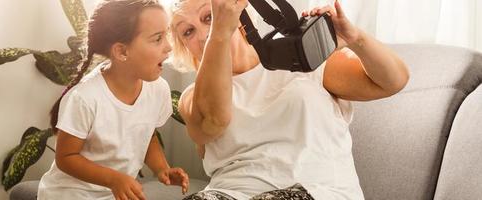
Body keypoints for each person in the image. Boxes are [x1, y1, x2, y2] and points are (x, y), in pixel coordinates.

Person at [169, 0, 409, 199]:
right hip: (230, 193)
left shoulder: (305, 61)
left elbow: (392, 81)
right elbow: (214, 120)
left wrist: (356, 38)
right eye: (187, 31)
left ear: (239, 13)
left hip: (317, 191)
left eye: (209, 17)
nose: (202, 34)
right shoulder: (193, 98)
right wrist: (219, 32)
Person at [37, 0, 189, 199]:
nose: (169, 47)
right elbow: (66, 158)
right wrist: (113, 179)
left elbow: (147, 134)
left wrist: (162, 169)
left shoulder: (158, 89)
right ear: (122, 51)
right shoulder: (85, 98)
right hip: (70, 195)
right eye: (158, 39)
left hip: (114, 194)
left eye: (166, 35)